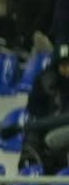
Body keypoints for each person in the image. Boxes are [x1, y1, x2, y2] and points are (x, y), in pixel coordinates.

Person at [15, 43, 69, 174]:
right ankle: (33, 170)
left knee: (49, 138)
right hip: (49, 127)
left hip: (62, 127)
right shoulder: (45, 82)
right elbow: (34, 109)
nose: (67, 69)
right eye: (64, 65)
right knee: (34, 136)